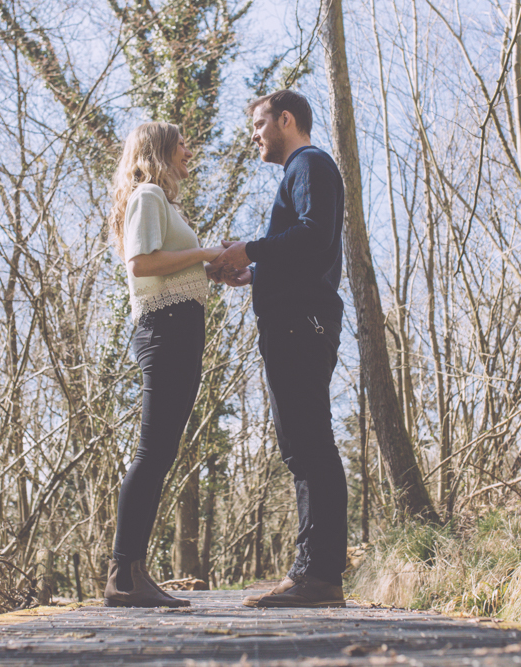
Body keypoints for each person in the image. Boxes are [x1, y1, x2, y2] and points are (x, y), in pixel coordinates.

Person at [208, 90, 346, 608]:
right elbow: (305, 251)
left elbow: (313, 237)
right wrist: (253, 271)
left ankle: (317, 574)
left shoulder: (309, 163)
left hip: (300, 325)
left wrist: (252, 248)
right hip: (293, 324)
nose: (254, 135)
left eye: (260, 123)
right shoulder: (301, 171)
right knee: (302, 445)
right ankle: (318, 574)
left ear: (287, 119)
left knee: (309, 444)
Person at [105, 122, 224, 607]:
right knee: (151, 453)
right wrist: (204, 252)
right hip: (165, 329)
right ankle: (124, 575)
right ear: (160, 149)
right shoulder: (149, 194)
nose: (189, 149)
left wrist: (209, 267)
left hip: (178, 328)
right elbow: (141, 264)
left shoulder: (162, 201)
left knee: (159, 454)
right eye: (183, 142)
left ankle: (132, 573)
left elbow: (168, 262)